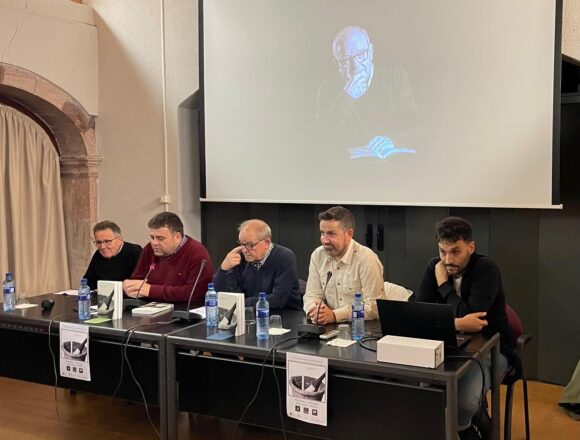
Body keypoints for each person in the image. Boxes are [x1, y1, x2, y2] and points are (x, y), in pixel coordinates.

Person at [417, 216, 515, 440]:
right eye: (442, 251)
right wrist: (459, 324)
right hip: (448, 347)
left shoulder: (486, 269)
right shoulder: (434, 266)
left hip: (492, 347)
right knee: (424, 392)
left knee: (463, 401)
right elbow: (423, 313)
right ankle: (468, 421)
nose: (447, 259)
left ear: (471, 247)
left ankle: (469, 427)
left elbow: (474, 316)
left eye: (455, 251)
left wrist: (443, 286)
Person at [315, 26, 418, 160]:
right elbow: (320, 140)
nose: (356, 67)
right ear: (337, 64)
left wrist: (393, 140)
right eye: (346, 61)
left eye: (361, 55)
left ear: (371, 52)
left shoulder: (395, 76)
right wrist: (346, 98)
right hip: (351, 171)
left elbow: (416, 127)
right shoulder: (328, 88)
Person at [303, 206, 385, 324]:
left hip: (364, 328)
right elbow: (311, 295)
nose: (325, 240)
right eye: (322, 233)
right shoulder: (317, 255)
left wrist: (335, 315)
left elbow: (374, 307)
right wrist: (314, 310)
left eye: (331, 234)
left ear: (349, 234)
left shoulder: (366, 259)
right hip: (331, 327)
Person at [123, 212, 214, 304]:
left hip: (183, 311)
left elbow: (194, 293)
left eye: (160, 238)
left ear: (177, 236)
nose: (154, 243)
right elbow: (137, 281)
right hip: (150, 308)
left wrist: (151, 290)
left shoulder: (197, 253)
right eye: (152, 237)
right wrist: (128, 287)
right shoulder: (149, 249)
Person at [212, 219, 302, 310]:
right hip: (249, 315)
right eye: (241, 244)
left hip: (284, 316)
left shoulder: (285, 257)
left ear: (266, 242)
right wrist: (223, 269)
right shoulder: (239, 257)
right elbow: (220, 295)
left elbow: (277, 300)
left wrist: (240, 303)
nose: (244, 250)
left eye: (250, 245)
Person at [83, 221, 142, 290]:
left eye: (107, 241)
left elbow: (138, 284)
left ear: (120, 239)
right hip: (103, 298)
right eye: (98, 242)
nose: (102, 247)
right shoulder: (98, 254)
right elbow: (88, 283)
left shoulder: (135, 252)